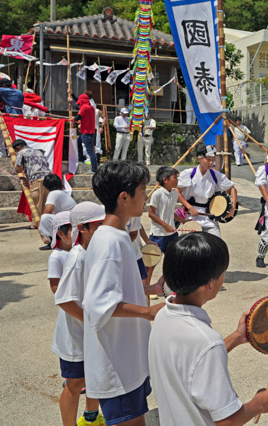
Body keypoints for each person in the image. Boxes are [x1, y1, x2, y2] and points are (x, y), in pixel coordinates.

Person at [148, 232, 268, 425]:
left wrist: (237, 337)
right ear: (209, 283)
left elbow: (190, 363)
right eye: (223, 272)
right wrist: (259, 404)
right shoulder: (207, 341)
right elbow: (226, 422)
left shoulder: (162, 317)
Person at [83, 161, 165, 426]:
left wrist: (150, 290)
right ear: (124, 197)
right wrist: (149, 311)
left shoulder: (116, 236)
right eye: (142, 191)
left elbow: (116, 290)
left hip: (128, 359)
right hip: (117, 366)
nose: (146, 197)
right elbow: (99, 305)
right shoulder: (109, 242)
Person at [47, 209, 104, 426]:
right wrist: (90, 320)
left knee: (94, 377)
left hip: (90, 332)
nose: (104, 229)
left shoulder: (93, 251)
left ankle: (91, 418)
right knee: (74, 383)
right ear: (83, 228)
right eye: (99, 225)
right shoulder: (76, 257)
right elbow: (62, 298)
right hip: (76, 334)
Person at [177, 145, 237, 237]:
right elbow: (177, 191)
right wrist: (189, 207)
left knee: (217, 245)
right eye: (208, 159)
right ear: (199, 159)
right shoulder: (189, 174)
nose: (211, 162)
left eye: (213, 160)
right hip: (191, 216)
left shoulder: (216, 175)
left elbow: (232, 188)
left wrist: (232, 207)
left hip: (210, 216)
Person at [147, 167, 179, 288]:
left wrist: (183, 220)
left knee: (173, 261)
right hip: (158, 235)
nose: (177, 180)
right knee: (151, 264)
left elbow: (170, 212)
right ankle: (147, 288)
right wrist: (166, 225)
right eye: (175, 178)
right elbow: (151, 213)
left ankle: (168, 286)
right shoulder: (157, 194)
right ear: (165, 179)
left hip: (172, 235)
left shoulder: (174, 193)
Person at [13, 138, 51, 218]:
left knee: (37, 203)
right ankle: (47, 222)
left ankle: (35, 224)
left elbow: (19, 168)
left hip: (37, 179)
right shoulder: (38, 151)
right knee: (47, 202)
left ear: (18, 147)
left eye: (15, 150)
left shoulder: (21, 153)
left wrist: (16, 170)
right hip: (49, 178)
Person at [75, 94, 98, 172]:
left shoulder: (84, 107)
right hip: (90, 132)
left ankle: (94, 169)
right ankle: (80, 159)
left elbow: (78, 117)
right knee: (78, 142)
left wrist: (73, 119)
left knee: (90, 151)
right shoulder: (91, 107)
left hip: (86, 133)